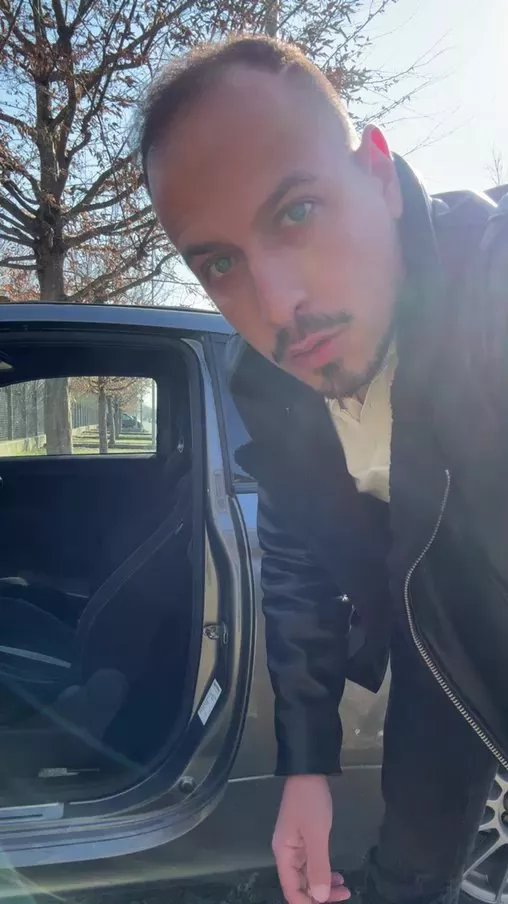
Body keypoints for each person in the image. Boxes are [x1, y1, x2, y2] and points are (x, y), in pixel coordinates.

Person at [139, 35, 508, 904]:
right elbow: (300, 555)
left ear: (379, 175)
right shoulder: (267, 382)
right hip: (438, 655)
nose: (279, 306)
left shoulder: (489, 289)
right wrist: (304, 766)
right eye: (219, 262)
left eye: (296, 212)